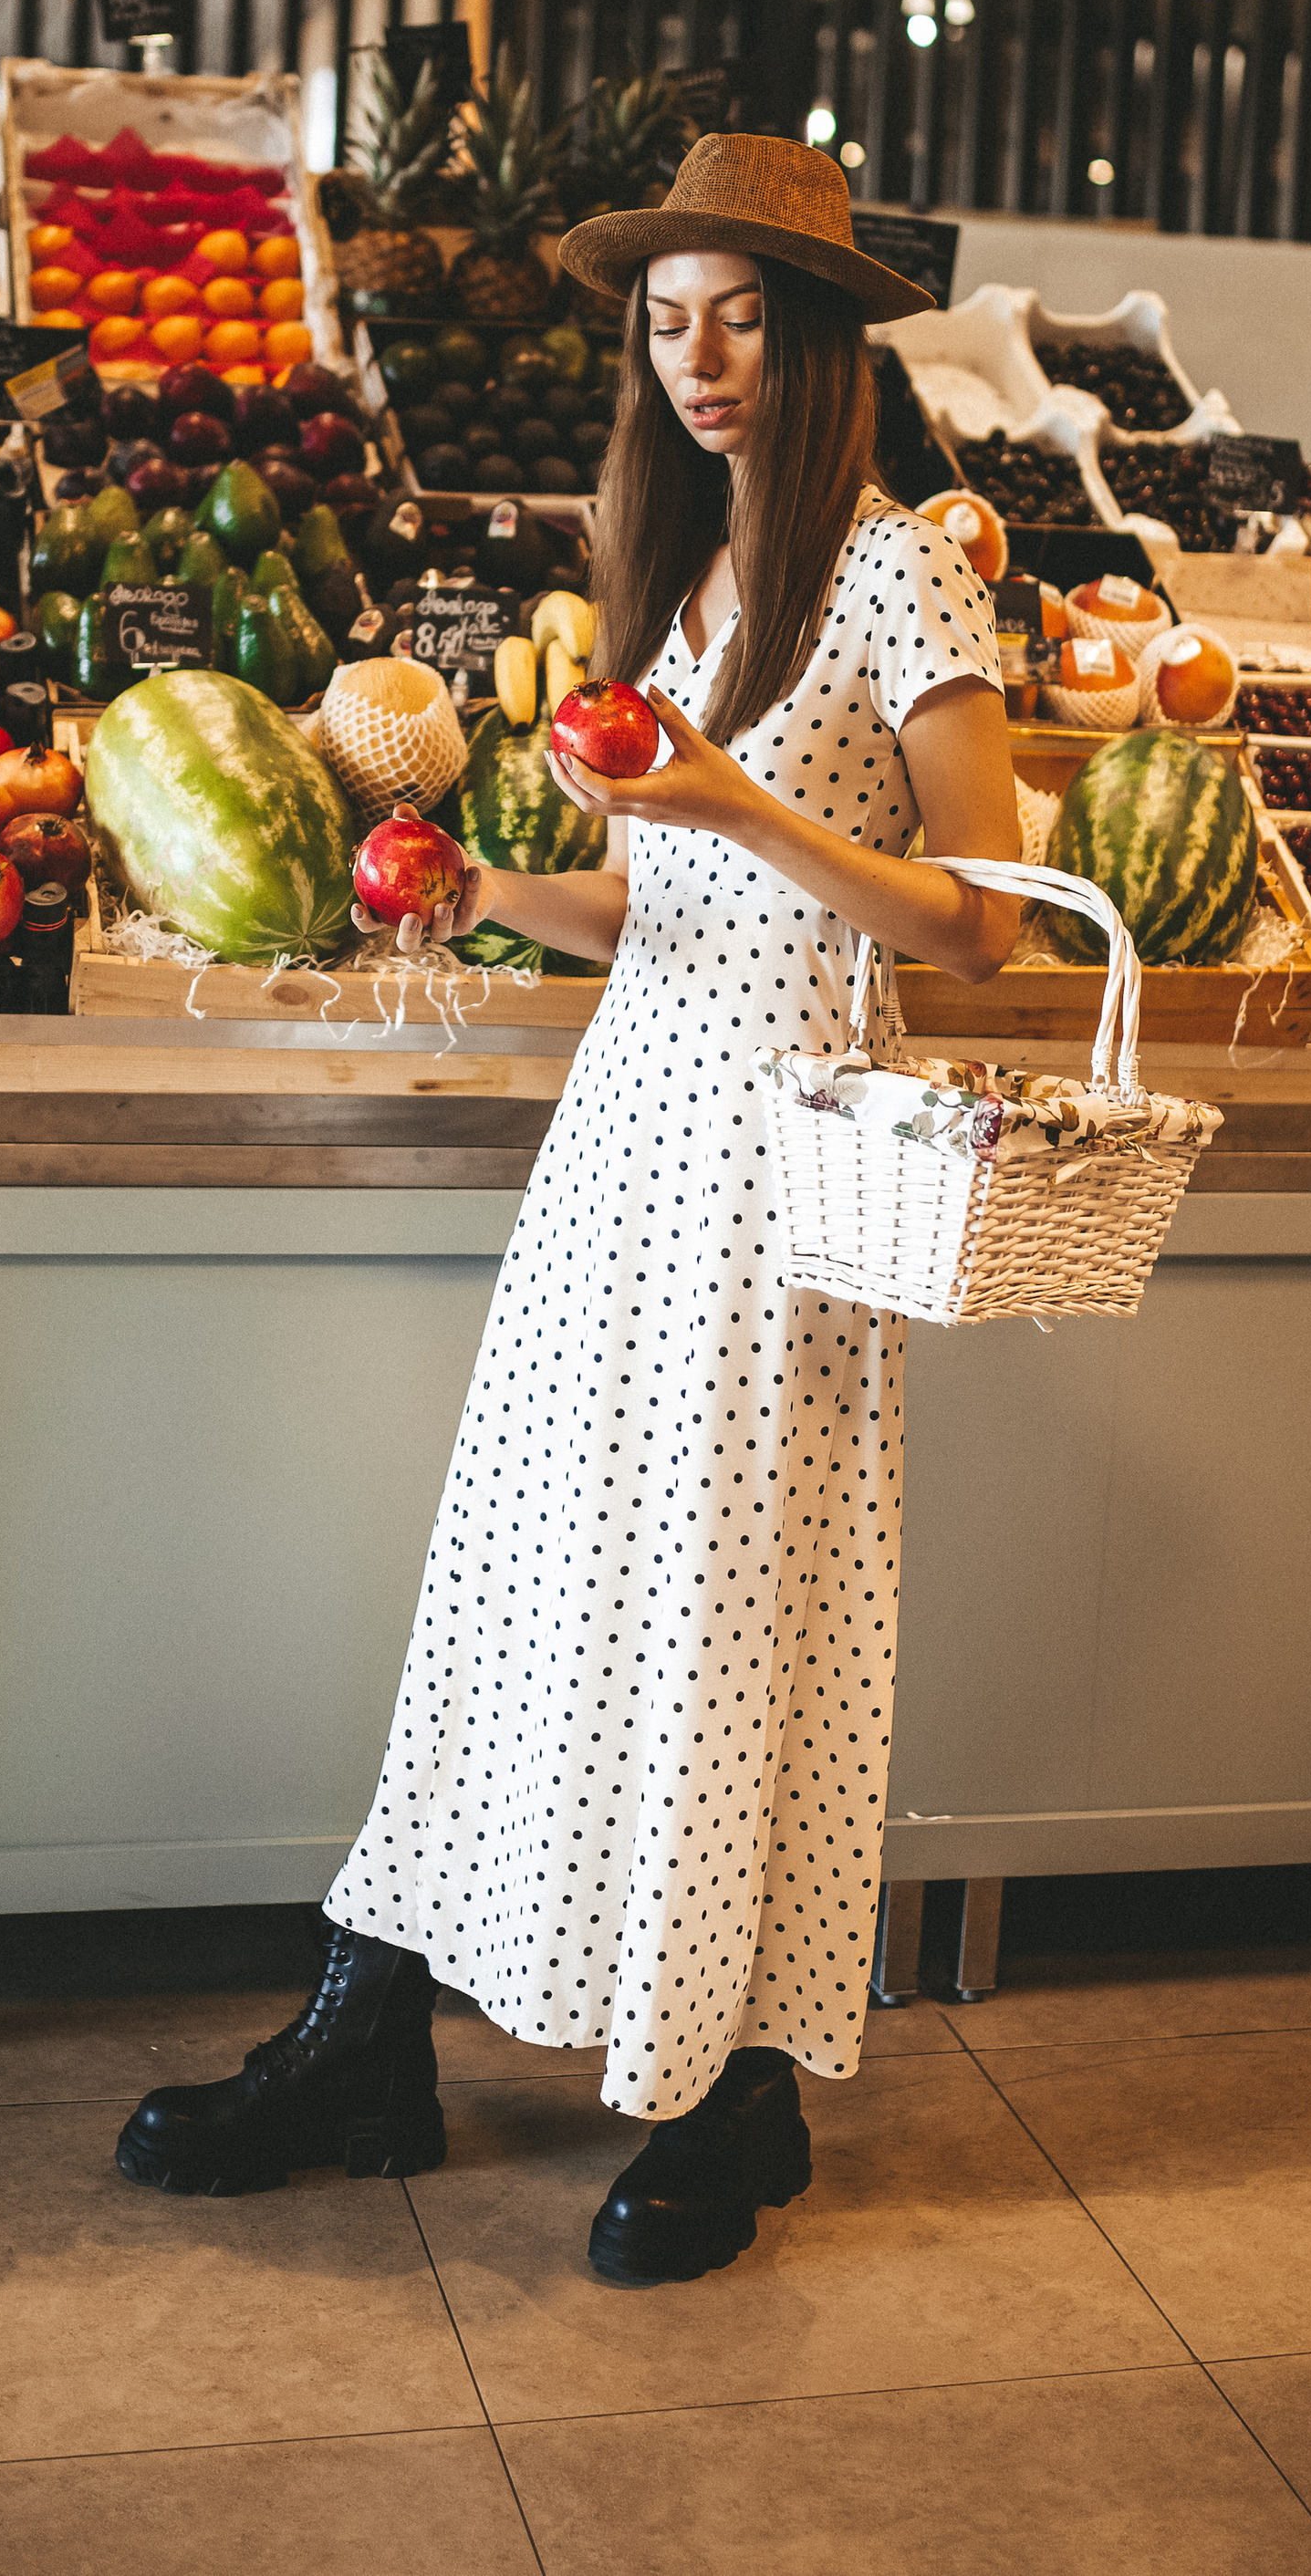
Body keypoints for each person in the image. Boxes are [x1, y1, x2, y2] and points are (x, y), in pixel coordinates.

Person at [118, 132, 1021, 2282]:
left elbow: (977, 920)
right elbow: (658, 903)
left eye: (737, 317)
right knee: (517, 1579)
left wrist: (719, 794)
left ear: (816, 339)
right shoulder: (690, 575)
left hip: (780, 1162)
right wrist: (479, 885)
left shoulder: (904, 575)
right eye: (661, 318)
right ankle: (371, 2025)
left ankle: (733, 2085)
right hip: (626, 1138)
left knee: (717, 1608)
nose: (694, 360)